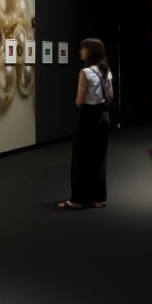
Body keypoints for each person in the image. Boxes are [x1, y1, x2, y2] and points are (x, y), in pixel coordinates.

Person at [59, 38, 114, 209]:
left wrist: (79, 102)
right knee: (98, 158)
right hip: (103, 116)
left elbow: (79, 101)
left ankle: (77, 200)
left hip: (88, 117)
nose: (80, 51)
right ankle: (96, 198)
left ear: (90, 52)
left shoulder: (85, 72)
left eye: (83, 49)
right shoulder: (106, 71)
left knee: (81, 157)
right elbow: (110, 98)